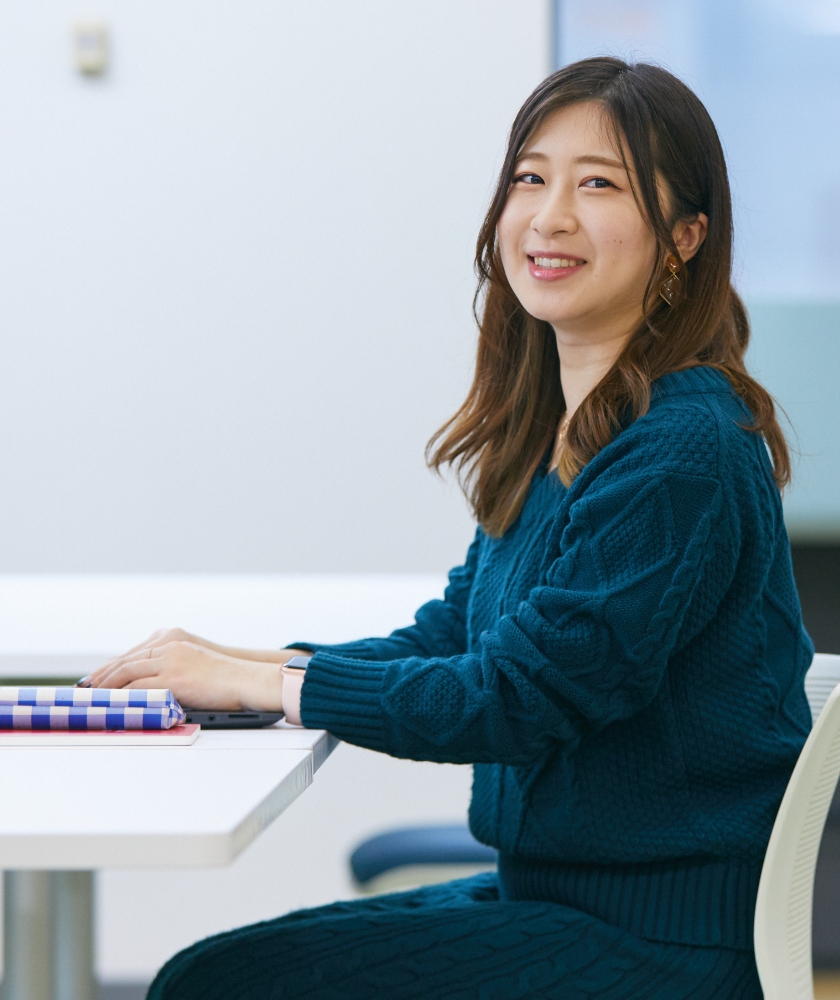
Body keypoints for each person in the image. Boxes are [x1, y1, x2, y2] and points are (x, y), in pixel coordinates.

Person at [86, 57, 812, 999]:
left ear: (683, 237)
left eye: (599, 184)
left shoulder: (682, 449)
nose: (550, 215)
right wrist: (254, 669)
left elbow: (512, 698)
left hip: (660, 943)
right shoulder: (568, 431)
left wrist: (269, 680)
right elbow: (453, 638)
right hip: (556, 898)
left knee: (214, 986)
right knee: (208, 976)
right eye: (529, 178)